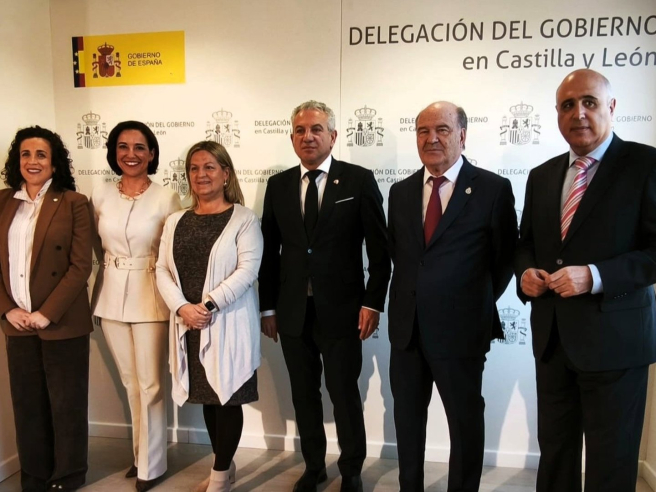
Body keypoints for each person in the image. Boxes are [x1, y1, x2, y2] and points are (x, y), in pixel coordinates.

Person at [515, 69, 656, 492]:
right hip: (553, 340)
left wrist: (594, 276)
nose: (578, 113)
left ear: (611, 107)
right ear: (557, 114)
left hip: (616, 344)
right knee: (555, 455)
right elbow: (526, 244)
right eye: (567, 105)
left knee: (611, 463)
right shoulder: (541, 175)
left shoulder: (646, 164)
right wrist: (525, 274)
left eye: (589, 102)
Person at [258, 100, 391, 492]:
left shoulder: (358, 180)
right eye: (300, 130)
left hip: (344, 311)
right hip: (293, 311)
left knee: (344, 393)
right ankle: (313, 466)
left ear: (333, 136)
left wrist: (372, 302)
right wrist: (267, 307)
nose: (308, 136)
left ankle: (351, 470)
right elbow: (269, 252)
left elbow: (379, 251)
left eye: (316, 129)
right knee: (303, 394)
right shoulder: (278, 185)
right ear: (292, 139)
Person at [387, 101, 517, 492]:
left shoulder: (492, 189)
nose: (432, 139)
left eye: (442, 129)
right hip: (407, 331)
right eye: (423, 131)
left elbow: (503, 261)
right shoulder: (400, 192)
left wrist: (466, 303)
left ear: (462, 135)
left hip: (461, 332)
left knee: (464, 423)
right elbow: (401, 256)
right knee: (407, 423)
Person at [156, 141, 262, 492]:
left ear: (225, 173)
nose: (201, 174)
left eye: (209, 167)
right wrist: (182, 308)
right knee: (206, 396)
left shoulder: (244, 219)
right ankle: (224, 467)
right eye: (194, 168)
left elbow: (248, 269)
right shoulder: (176, 220)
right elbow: (161, 270)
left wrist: (209, 306)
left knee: (227, 398)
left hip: (227, 323)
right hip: (188, 325)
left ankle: (219, 477)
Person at [0, 126, 93, 491]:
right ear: (16, 161)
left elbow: (80, 267)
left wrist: (46, 313)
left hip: (61, 322)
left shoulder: (74, 202)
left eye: (41, 154)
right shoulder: (3, 202)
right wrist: (7, 310)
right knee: (28, 406)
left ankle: (68, 476)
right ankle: (35, 477)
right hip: (16, 322)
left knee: (66, 405)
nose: (33, 161)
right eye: (25, 154)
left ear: (54, 163)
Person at [91, 121, 181, 491]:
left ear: (152, 154)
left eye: (140, 147)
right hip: (110, 298)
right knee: (130, 382)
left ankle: (152, 465)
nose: (131, 154)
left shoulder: (166, 197)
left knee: (152, 384)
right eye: (123, 147)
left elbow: (171, 251)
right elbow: (95, 247)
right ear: (114, 152)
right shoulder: (100, 195)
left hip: (151, 297)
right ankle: (140, 454)